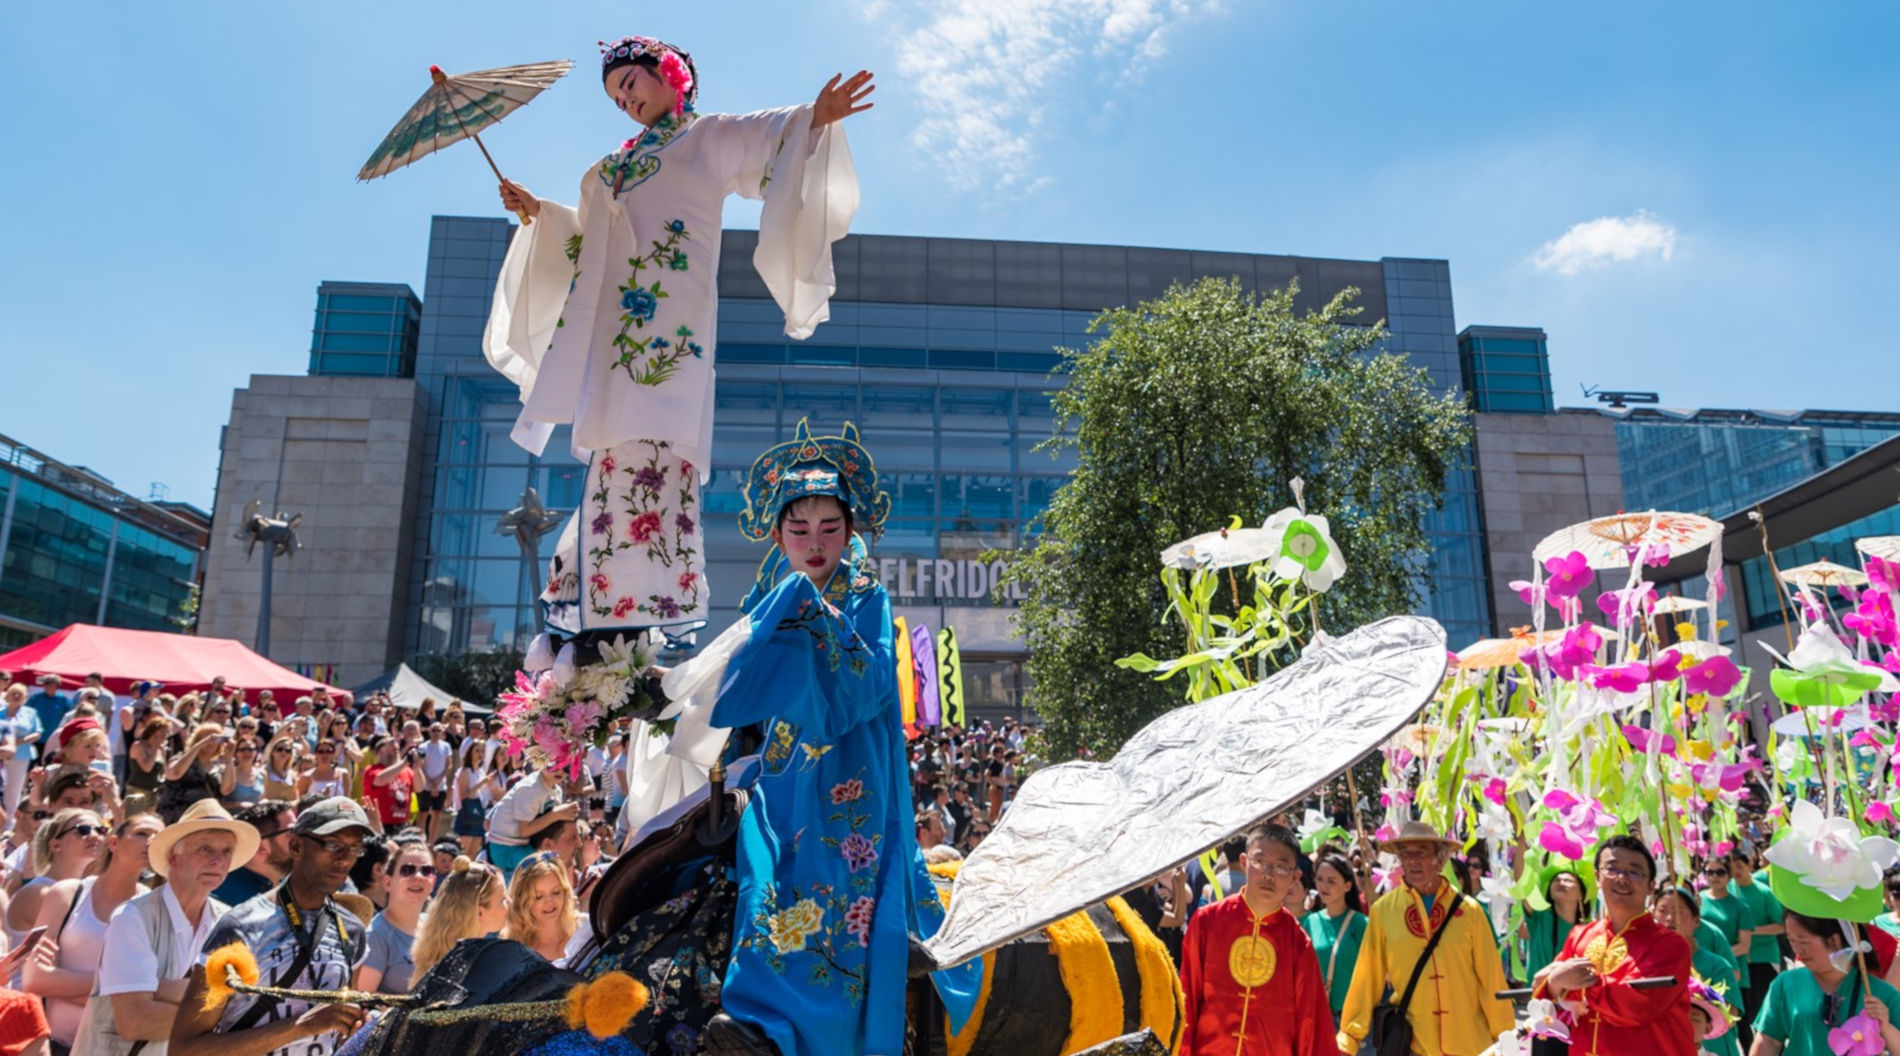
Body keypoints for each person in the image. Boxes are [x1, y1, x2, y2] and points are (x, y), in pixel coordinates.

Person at [484, 34, 870, 645]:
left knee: (659, 446)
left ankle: (649, 607)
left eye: (630, 83)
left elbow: (767, 134)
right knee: (613, 451)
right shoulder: (610, 170)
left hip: (671, 339)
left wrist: (812, 119)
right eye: (615, 97)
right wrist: (540, 213)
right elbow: (587, 243)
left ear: (669, 73)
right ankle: (603, 616)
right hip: (615, 340)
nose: (625, 101)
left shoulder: (704, 138)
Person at [683, 420, 979, 1056]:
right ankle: (761, 1018)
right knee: (762, 869)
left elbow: (870, 687)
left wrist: (811, 616)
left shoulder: (865, 594)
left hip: (850, 775)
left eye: (830, 529)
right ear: (777, 533)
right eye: (799, 529)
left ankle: (809, 1033)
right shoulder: (770, 596)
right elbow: (738, 696)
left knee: (831, 884)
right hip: (783, 774)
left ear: (850, 532)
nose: (815, 543)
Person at [171, 797, 373, 1056]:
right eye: (333, 845)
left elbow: (338, 1035)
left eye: (355, 849)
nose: (345, 860)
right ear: (297, 846)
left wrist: (355, 1028)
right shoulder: (241, 927)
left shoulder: (351, 931)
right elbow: (184, 1049)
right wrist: (300, 1027)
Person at [73, 800, 254, 1056]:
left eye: (227, 851)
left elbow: (246, 1002)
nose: (218, 860)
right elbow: (136, 1022)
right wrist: (219, 1004)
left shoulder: (231, 922)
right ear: (174, 857)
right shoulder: (132, 918)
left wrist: (163, 990)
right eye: (205, 849)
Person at [1338, 820, 1514, 1056]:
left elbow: (1491, 981)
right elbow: (1366, 978)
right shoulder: (1384, 911)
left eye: (1421, 852)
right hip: (1414, 1046)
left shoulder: (1470, 911)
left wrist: (1506, 1038)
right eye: (1406, 854)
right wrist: (1349, 1038)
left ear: (1439, 859)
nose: (1413, 861)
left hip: (1472, 1046)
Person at [1177, 824, 1335, 1055]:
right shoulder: (1208, 921)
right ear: (1244, 862)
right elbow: (1186, 999)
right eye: (1260, 862)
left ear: (1295, 876)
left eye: (1281, 867)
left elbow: (1310, 1022)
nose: (1268, 874)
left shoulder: (1298, 944)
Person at [1535, 834, 1694, 1054]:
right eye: (1612, 869)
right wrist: (1553, 984)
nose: (1622, 877)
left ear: (1651, 887)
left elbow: (1638, 1006)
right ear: (1597, 877)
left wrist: (1573, 986)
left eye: (1634, 871)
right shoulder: (1580, 935)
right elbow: (1545, 993)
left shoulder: (1670, 945)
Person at [22, 811, 159, 1051]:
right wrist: (115, 986)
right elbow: (35, 979)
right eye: (142, 834)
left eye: (158, 837)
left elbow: (147, 994)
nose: (151, 841)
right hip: (54, 1045)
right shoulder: (67, 894)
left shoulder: (153, 908)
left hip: (114, 1048)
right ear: (114, 842)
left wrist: (64, 983)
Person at [1751, 911, 1900, 1056]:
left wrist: (1886, 1028)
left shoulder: (1881, 994)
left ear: (1834, 940)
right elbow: (1768, 1041)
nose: (1796, 949)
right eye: (1791, 940)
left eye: (1803, 941)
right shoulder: (1785, 984)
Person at [1653, 887, 1744, 1056]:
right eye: (1662, 911)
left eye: (1679, 912)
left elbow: (1731, 1015)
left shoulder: (1717, 965)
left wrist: (1696, 981)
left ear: (1696, 921)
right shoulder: (1649, 963)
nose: (1669, 918)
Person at [411, 858, 508, 980]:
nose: (510, 903)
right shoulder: (467, 970)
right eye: (503, 899)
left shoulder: (439, 960)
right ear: (479, 911)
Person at [1302, 851, 1368, 1027]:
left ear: (1347, 886)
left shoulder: (1361, 924)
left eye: (1331, 881)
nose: (1324, 886)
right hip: (1319, 1016)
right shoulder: (1310, 922)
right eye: (1320, 879)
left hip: (1355, 1019)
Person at [355, 841, 431, 994]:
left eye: (426, 871)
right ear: (388, 883)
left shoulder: (433, 925)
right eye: (407, 870)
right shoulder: (375, 936)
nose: (418, 877)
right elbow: (363, 1000)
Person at [1728, 845, 1782, 1041]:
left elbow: (1781, 925)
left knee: (1765, 1011)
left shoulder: (1764, 892)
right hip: (1739, 962)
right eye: (1732, 868)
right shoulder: (1727, 893)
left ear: (1749, 865)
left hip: (1764, 959)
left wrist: (1752, 931)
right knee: (1744, 1014)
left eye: (1740, 866)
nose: (1737, 872)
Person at [484, 767, 574, 877]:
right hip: (504, 848)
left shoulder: (557, 791)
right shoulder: (530, 788)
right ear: (540, 762)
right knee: (541, 870)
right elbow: (524, 831)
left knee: (557, 861)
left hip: (523, 845)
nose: (560, 771)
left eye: (566, 768)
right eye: (553, 765)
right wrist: (557, 814)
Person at [499, 851, 582, 967]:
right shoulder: (511, 951)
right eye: (538, 897)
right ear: (522, 901)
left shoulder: (584, 928)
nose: (549, 901)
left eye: (556, 892)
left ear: (565, 891)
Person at [212, 800, 296, 906]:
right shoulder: (225, 900)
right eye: (292, 832)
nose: (301, 838)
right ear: (261, 847)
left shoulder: (282, 885)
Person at [1521, 863, 1592, 985]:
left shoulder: (1590, 930)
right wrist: (1522, 845)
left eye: (1568, 880)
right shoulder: (1540, 917)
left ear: (1581, 894)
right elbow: (1523, 884)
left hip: (1575, 999)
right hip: (1537, 997)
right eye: (1556, 880)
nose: (1561, 883)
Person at [0, 685, 45, 821]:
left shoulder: (30, 713)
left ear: (25, 698)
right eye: (14, 693)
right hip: (1, 755)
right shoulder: (1, 711)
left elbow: (38, 732)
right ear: (8, 695)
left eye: (20, 694)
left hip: (20, 754)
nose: (16, 696)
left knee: (13, 790)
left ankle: (8, 822)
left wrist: (21, 741)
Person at [451, 739, 497, 858]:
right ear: (470, 752)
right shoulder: (464, 772)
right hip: (467, 814)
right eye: (477, 751)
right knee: (465, 853)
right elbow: (464, 797)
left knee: (473, 854)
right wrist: (482, 783)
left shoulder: (480, 772)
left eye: (482, 751)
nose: (480, 754)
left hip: (478, 814)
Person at [415, 723, 453, 842]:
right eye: (433, 730)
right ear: (430, 732)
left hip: (441, 786)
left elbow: (449, 765)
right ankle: (419, 840)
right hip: (425, 786)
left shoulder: (446, 746)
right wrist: (431, 784)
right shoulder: (423, 747)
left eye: (438, 730)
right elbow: (420, 766)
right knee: (423, 814)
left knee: (437, 814)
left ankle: (432, 840)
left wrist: (438, 781)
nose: (436, 733)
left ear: (442, 732)